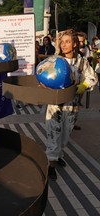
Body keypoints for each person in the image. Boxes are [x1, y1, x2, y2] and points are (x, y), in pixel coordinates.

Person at [45, 29, 98, 181]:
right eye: (62, 42)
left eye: (68, 42)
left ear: (74, 44)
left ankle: (58, 155)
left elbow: (92, 78)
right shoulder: (54, 61)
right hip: (56, 105)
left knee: (65, 134)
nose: (64, 45)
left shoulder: (82, 62)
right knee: (53, 133)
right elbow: (44, 77)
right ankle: (51, 164)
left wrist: (83, 86)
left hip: (72, 106)